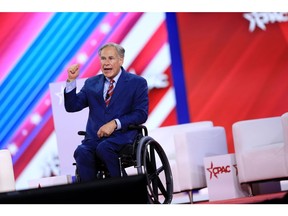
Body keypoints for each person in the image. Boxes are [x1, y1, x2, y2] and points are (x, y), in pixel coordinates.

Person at [64, 42, 149, 182]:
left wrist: (115, 123)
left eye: (111, 58)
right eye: (103, 59)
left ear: (121, 60)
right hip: (94, 138)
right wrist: (71, 81)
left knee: (105, 148)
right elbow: (72, 106)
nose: (106, 63)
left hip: (123, 137)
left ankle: (119, 192)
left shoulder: (137, 83)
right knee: (82, 151)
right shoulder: (91, 83)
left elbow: (141, 114)